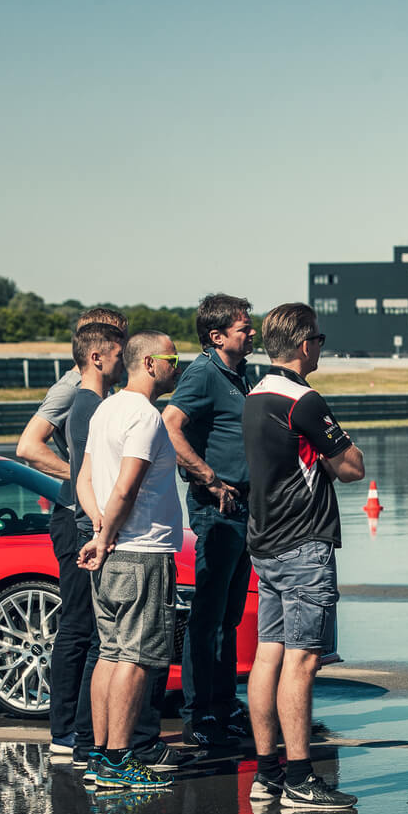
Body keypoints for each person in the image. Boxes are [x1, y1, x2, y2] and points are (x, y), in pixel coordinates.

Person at [242, 303, 365, 810]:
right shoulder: (304, 400)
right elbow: (352, 466)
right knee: (304, 657)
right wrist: (337, 454)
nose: (322, 346)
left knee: (267, 655)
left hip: (265, 543)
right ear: (302, 344)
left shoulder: (253, 396)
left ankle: (266, 773)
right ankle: (300, 777)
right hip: (302, 545)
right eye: (319, 338)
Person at [67, 326, 191, 778]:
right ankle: (120, 760)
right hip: (142, 552)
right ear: (149, 363)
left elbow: (84, 479)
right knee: (136, 659)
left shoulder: (104, 411)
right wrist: (106, 532)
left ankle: (100, 754)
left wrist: (99, 526)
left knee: (110, 653)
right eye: (172, 361)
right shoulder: (143, 415)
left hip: (114, 549)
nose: (177, 368)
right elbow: (127, 485)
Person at [15, 306, 126, 758]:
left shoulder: (108, 391)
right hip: (72, 514)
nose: (124, 351)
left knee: (96, 628)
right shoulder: (72, 390)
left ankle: (86, 727)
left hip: (84, 510)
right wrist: (84, 479)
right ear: (93, 348)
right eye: (116, 342)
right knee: (80, 625)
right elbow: (28, 446)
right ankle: (65, 731)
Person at [162, 293, 258, 748]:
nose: (252, 332)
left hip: (245, 509)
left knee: (229, 615)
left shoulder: (239, 374)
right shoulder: (203, 373)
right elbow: (169, 424)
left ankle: (224, 706)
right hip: (218, 507)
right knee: (208, 616)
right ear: (217, 336)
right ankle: (199, 713)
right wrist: (209, 479)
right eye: (244, 327)